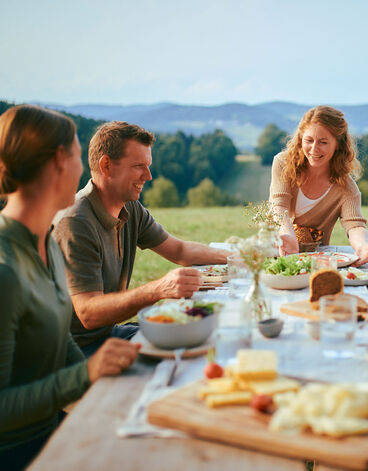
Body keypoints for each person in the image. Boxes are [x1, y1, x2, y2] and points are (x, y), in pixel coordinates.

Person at [0, 105, 139, 471]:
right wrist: (87, 374)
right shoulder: (5, 271)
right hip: (22, 454)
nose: (84, 170)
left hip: (53, 431)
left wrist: (104, 381)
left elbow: (59, 338)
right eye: (80, 155)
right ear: (60, 162)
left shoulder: (45, 243)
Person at [52, 121, 233, 356]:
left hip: (107, 335)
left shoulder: (130, 207)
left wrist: (239, 257)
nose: (148, 176)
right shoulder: (75, 222)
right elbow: (88, 313)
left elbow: (179, 251)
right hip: (75, 351)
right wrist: (158, 289)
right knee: (186, 354)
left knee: (207, 337)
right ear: (106, 166)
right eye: (139, 166)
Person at [269, 105, 368, 265]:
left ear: (338, 145)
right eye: (309, 140)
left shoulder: (347, 189)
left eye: (323, 142)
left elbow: (355, 225)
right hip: (275, 253)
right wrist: (286, 234)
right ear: (301, 138)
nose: (314, 149)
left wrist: (363, 245)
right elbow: (279, 206)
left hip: (315, 262)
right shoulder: (283, 163)